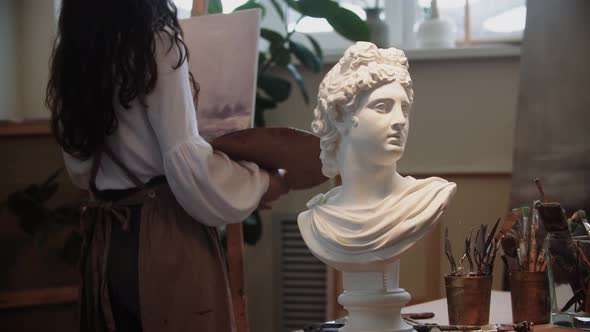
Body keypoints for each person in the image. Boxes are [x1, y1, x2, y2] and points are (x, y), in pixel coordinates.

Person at [46, 1, 289, 331]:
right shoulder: (155, 44)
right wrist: (260, 182)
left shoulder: (73, 55)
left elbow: (79, 169)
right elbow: (188, 164)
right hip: (164, 236)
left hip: (106, 243)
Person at [298, 42, 456, 272]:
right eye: (382, 107)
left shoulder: (427, 199)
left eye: (404, 109)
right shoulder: (316, 221)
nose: (400, 121)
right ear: (340, 116)